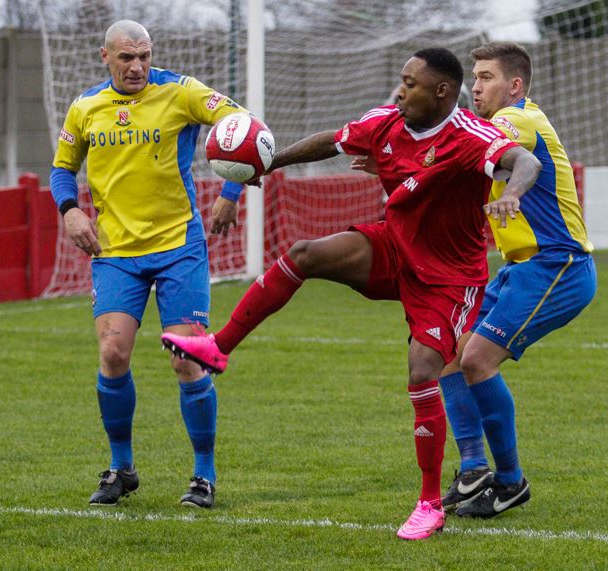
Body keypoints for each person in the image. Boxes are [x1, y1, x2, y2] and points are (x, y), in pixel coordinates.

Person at [161, 47, 542, 539]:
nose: (400, 92)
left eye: (411, 85)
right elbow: (332, 141)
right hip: (393, 248)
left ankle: (429, 504)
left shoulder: (471, 136)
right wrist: (269, 162)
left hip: (448, 279)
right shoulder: (387, 122)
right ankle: (218, 347)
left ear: (443, 92)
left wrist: (511, 192)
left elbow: (523, 161)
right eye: (401, 81)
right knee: (304, 253)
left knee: (422, 369)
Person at [49, 20, 250, 508]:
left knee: (187, 358)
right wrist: (70, 210)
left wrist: (230, 191)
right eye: (126, 57)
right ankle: (121, 468)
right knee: (113, 353)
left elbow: (243, 124)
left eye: (144, 56)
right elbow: (62, 169)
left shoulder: (182, 92)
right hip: (116, 252)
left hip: (179, 246)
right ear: (105, 57)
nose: (137, 66)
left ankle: (203, 474)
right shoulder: (84, 107)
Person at [435, 42, 597, 519]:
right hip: (520, 269)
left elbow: (525, 163)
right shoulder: (491, 129)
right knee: (450, 353)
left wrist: (513, 193)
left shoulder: (516, 120)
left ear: (515, 85)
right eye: (475, 76)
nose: (475, 86)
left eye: (486, 77)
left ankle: (510, 482)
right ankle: (473, 469)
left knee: (477, 359)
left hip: (559, 265)